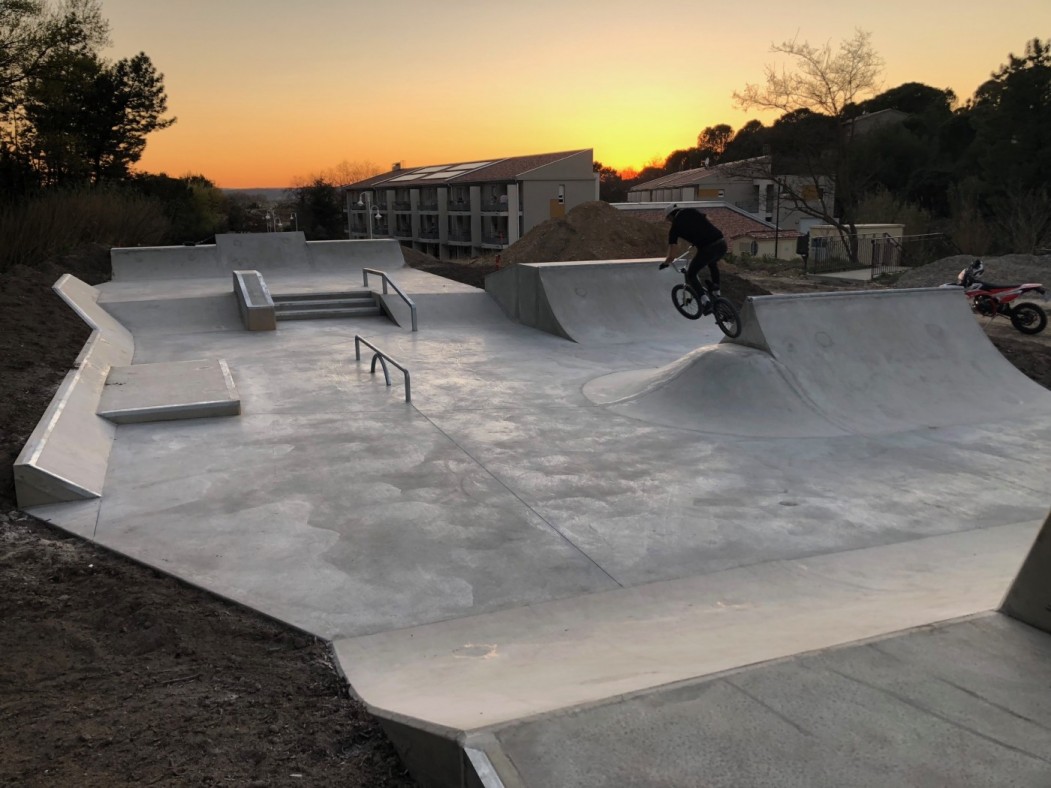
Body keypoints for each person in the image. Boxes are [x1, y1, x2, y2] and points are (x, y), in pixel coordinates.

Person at [659, 204, 726, 311]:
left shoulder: (674, 228)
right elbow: (707, 219)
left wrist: (665, 263)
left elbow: (672, 254)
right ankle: (716, 292)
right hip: (722, 243)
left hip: (707, 249)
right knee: (712, 263)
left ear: (670, 216)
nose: (669, 222)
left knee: (691, 274)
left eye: (669, 220)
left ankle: (705, 302)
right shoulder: (692, 211)